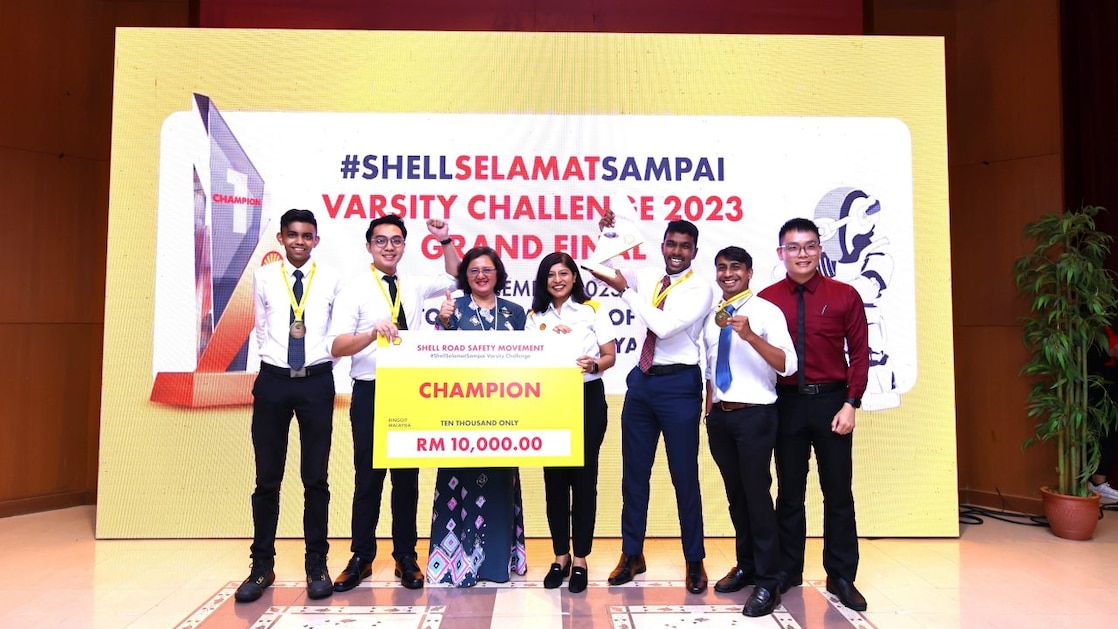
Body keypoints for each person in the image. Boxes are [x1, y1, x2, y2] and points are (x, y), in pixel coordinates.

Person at [327, 215, 460, 592]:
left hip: (409, 391)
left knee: (406, 479)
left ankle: (406, 556)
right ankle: (361, 556)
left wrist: (446, 240)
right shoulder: (354, 290)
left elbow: (455, 277)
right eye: (381, 240)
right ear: (369, 246)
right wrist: (371, 333)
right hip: (370, 390)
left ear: (404, 246)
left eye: (396, 240)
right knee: (368, 477)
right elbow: (336, 347)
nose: (389, 247)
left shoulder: (414, 285)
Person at [590, 215, 715, 594]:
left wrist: (628, 293)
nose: (676, 252)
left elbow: (664, 327)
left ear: (694, 251)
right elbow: (600, 267)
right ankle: (632, 553)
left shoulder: (701, 289)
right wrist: (608, 234)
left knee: (684, 477)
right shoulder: (647, 278)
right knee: (634, 475)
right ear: (662, 245)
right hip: (642, 383)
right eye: (671, 244)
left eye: (684, 246)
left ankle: (694, 559)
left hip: (679, 384)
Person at [758, 217, 870, 612]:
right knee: (789, 493)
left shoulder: (844, 295)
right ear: (781, 253)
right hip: (785, 404)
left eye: (808, 246)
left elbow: (859, 354)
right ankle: (788, 571)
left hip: (832, 404)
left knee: (838, 493)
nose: (801, 254)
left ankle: (841, 575)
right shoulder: (767, 299)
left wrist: (851, 403)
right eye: (793, 247)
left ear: (820, 250)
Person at [235, 208, 343, 603]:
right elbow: (263, 326)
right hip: (274, 381)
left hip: (316, 382)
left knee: (315, 479)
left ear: (316, 239)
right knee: (267, 480)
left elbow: (335, 329)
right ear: (281, 238)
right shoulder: (264, 276)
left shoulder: (330, 278)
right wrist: (276, 364)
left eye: (307, 235)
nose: (300, 241)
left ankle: (317, 563)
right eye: (293, 234)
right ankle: (261, 565)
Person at [702, 246, 796, 617]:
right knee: (736, 496)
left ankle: (769, 581)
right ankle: (747, 565)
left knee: (757, 497)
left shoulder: (765, 311)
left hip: (755, 416)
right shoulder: (714, 316)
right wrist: (709, 409)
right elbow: (711, 366)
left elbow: (788, 365)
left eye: (735, 268)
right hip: (721, 418)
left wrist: (752, 337)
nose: (728, 274)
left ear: (750, 273)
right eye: (722, 268)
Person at [427, 246, 528, 587]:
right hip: (460, 413)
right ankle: (455, 562)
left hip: (504, 414)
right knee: (460, 483)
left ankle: (498, 561)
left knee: (499, 485)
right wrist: (443, 324)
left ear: (498, 273)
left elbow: (531, 360)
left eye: (487, 269)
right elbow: (437, 359)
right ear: (464, 276)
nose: (481, 275)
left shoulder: (515, 313)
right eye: (473, 271)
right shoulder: (452, 311)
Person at [526, 252, 617, 594]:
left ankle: (580, 559)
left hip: (587, 401)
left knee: (584, 481)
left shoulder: (592, 310)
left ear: (575, 278)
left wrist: (594, 365)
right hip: (549, 402)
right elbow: (528, 359)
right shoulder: (535, 316)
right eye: (551, 274)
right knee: (554, 482)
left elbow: (610, 355)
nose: (558, 280)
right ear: (543, 280)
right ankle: (560, 556)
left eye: (564, 273)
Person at [1087, 325, 1118, 502]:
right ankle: (1090, 480)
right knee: (1095, 432)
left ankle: (1100, 482)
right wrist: (1110, 353)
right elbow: (1084, 360)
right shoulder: (1094, 327)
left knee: (1110, 432)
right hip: (1096, 388)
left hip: (1113, 388)